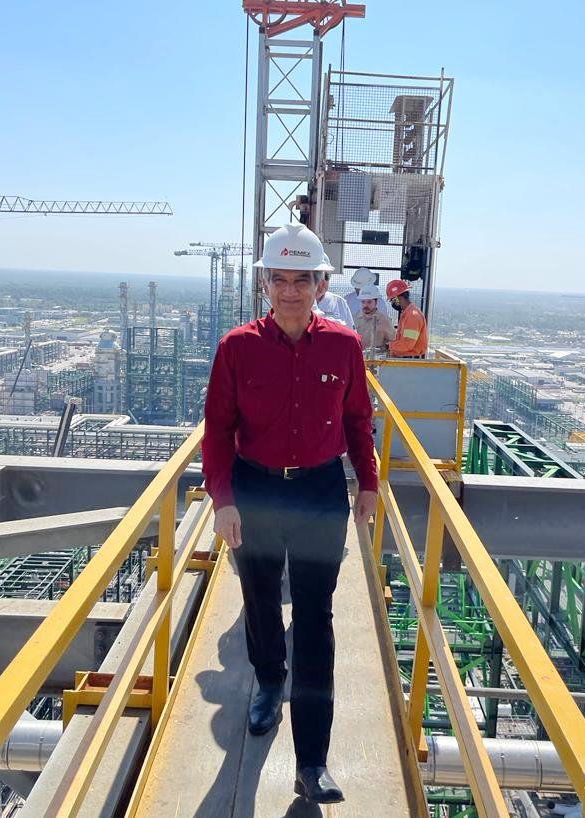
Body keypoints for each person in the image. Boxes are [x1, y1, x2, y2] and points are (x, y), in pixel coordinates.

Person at [202, 223, 377, 805]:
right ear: (265, 285)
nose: (290, 291)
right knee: (258, 599)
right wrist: (223, 500)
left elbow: (357, 420)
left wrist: (368, 482)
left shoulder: (343, 346)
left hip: (319, 492)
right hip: (255, 489)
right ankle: (268, 680)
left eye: (302, 280)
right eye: (279, 279)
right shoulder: (237, 347)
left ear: (321, 285)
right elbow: (217, 431)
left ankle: (312, 762)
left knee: (315, 617)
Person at [385, 279, 428, 358]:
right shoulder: (407, 314)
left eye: (392, 300)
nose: (392, 303)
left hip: (410, 361)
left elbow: (407, 345)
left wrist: (388, 346)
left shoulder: (412, 316)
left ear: (398, 299)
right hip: (407, 359)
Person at [354, 284, 395, 353]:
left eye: (369, 302)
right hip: (358, 357)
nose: (365, 305)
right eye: (363, 302)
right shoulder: (354, 319)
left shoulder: (384, 321)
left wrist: (383, 348)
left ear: (376, 302)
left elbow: (392, 342)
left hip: (376, 358)